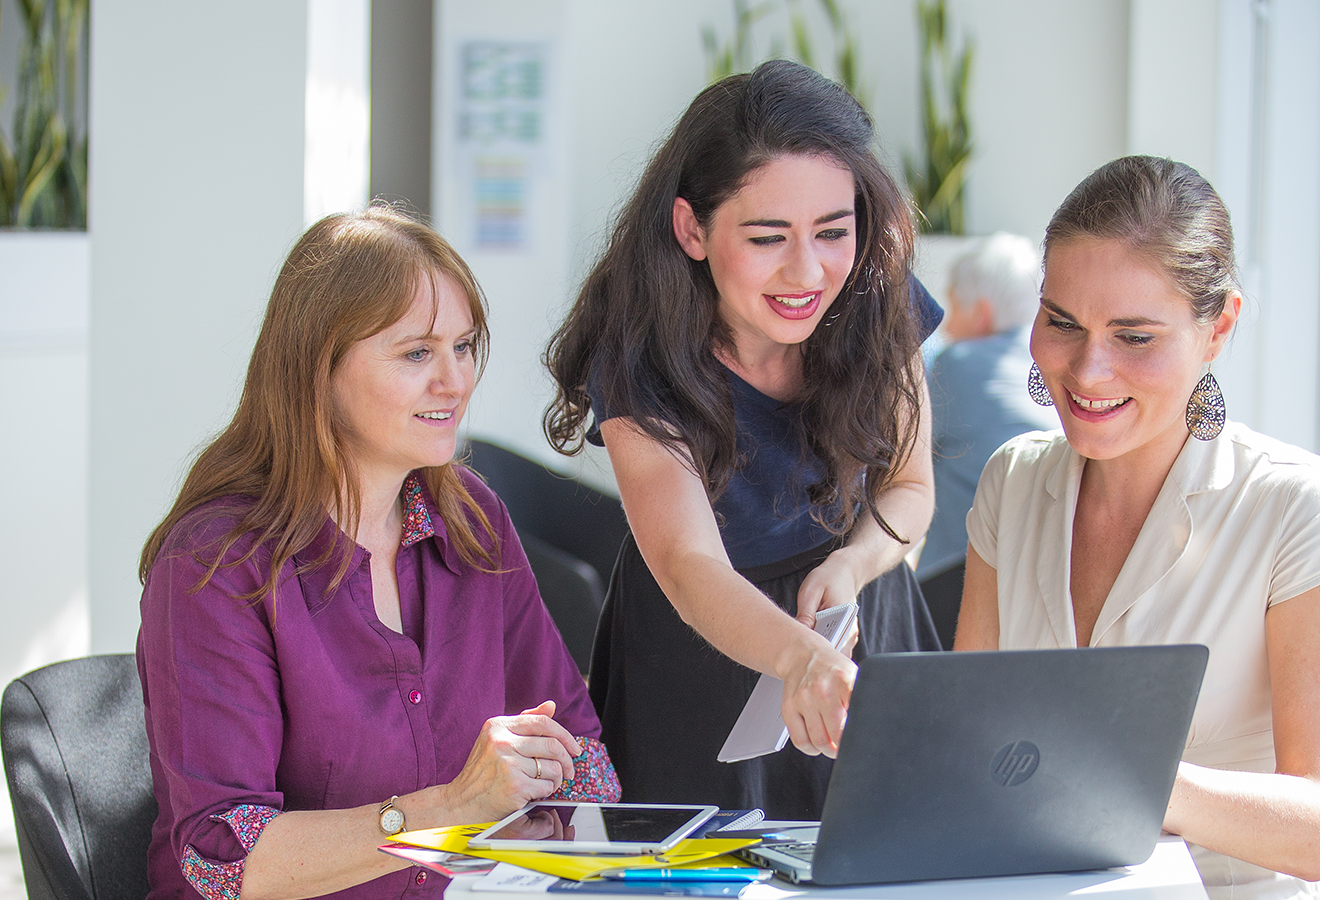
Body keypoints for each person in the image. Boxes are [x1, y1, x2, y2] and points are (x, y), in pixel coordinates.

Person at [137, 206, 619, 900]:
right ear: (318, 370)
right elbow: (226, 857)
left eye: (464, 346)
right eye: (417, 353)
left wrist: (541, 809)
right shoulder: (215, 564)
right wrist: (451, 810)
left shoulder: (474, 522)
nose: (454, 381)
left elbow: (585, 762)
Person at [544, 59, 942, 820]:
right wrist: (801, 660)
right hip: (703, 648)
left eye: (834, 231)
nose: (808, 271)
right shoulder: (640, 356)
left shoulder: (877, 297)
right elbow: (690, 567)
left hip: (859, 619)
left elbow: (911, 488)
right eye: (767, 238)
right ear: (692, 229)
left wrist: (854, 564)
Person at [954, 156, 1320, 899]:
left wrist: (1127, 771)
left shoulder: (1292, 506)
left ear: (1217, 330)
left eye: (1135, 337)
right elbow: (969, 754)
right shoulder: (1011, 482)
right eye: (1063, 322)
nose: (1088, 371)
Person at [917, 232, 1058, 647]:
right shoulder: (1046, 366)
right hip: (1046, 562)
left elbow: (897, 454)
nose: (945, 323)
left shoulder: (955, 363)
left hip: (960, 570)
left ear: (980, 313)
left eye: (952, 307)